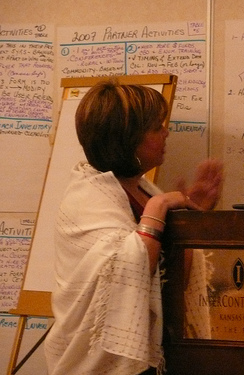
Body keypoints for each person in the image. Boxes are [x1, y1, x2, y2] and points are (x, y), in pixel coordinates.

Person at [44, 80, 223, 375]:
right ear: (125, 138)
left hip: (158, 353)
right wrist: (158, 208)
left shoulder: (143, 189)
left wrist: (195, 216)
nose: (166, 133)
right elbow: (128, 273)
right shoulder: (85, 199)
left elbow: (168, 268)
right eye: (156, 127)